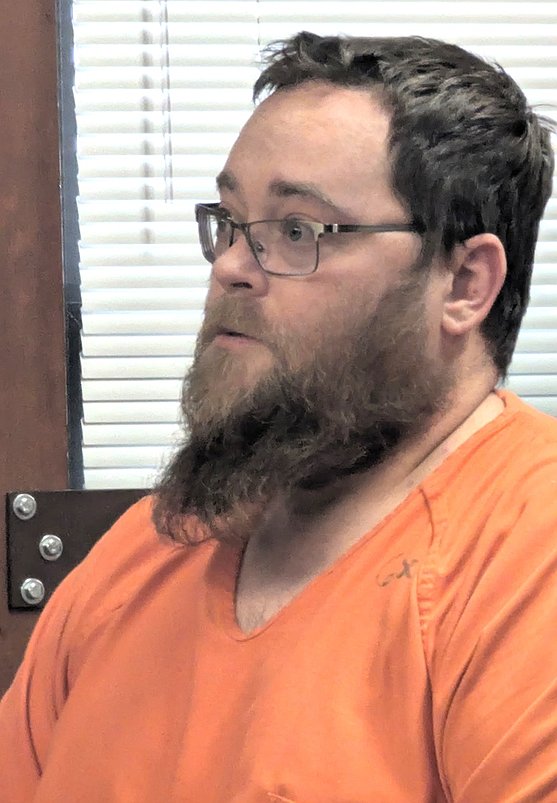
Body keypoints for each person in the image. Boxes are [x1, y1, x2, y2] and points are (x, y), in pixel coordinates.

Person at [0, 31, 555, 803]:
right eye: (230, 221)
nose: (231, 265)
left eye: (296, 230)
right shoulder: (145, 553)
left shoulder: (526, 555)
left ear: (464, 282)